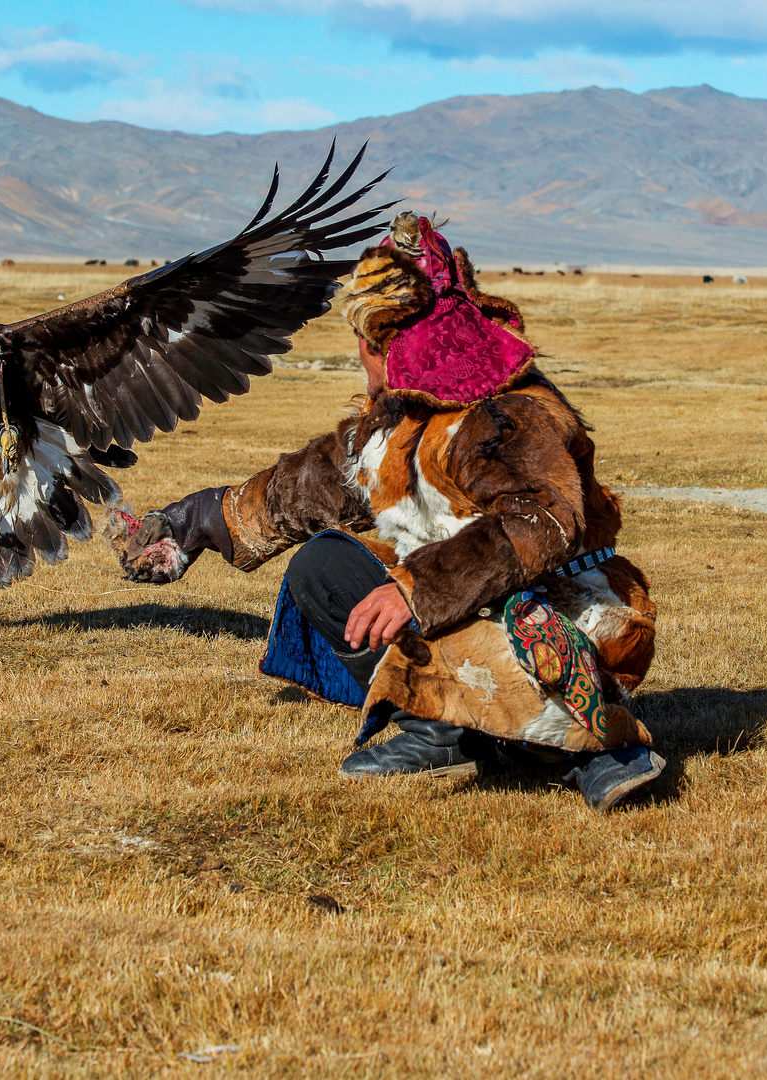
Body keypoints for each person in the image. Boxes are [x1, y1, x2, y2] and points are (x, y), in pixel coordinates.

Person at [118, 212, 664, 811]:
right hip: (460, 597)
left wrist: (415, 591)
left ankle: (598, 749)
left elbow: (540, 522)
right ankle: (441, 731)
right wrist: (189, 522)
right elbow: (303, 489)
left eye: (366, 346)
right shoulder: (399, 420)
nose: (362, 362)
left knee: (530, 635)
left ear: (390, 344)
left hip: (562, 602)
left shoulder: (505, 417)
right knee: (323, 566)